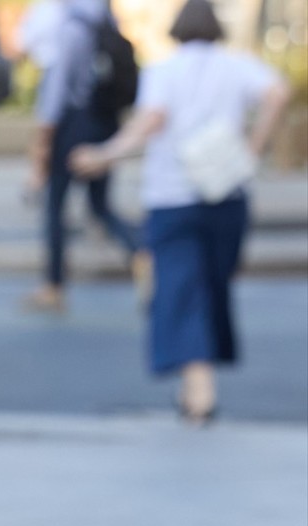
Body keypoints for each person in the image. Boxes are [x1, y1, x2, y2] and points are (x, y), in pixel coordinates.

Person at [70, 0, 288, 424]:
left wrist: (105, 154)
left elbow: (151, 121)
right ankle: (195, 390)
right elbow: (277, 93)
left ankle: (200, 392)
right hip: (227, 193)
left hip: (173, 197)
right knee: (211, 287)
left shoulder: (164, 71)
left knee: (180, 291)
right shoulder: (236, 65)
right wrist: (254, 146)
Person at [24, 0, 145, 313]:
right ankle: (142, 249)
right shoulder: (106, 20)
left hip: (74, 125)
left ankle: (53, 286)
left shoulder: (71, 28)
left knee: (55, 205)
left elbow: (56, 89)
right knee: (100, 206)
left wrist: (43, 139)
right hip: (106, 123)